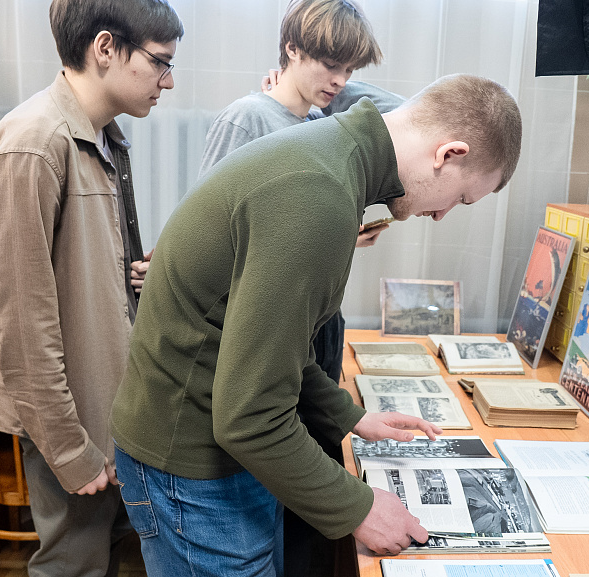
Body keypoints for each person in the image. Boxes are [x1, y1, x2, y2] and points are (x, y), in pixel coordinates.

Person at [110, 72, 523, 576]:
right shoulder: (318, 193)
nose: (442, 216)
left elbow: (277, 346)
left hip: (206, 443)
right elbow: (249, 414)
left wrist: (349, 416)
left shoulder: (333, 158)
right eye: (460, 199)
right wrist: (358, 507)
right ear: (448, 154)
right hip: (192, 466)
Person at [0, 1, 183, 575]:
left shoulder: (103, 138)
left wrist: (135, 274)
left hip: (108, 405)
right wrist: (68, 448)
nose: (167, 81)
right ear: (106, 48)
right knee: (74, 565)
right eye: (159, 63)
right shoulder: (33, 142)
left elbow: (79, 276)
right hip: (68, 418)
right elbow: (17, 320)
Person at [197, 1, 403, 574]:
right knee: (278, 452)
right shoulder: (248, 118)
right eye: (328, 65)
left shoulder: (321, 119)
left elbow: (409, 112)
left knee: (316, 448)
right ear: (290, 49)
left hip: (314, 318)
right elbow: (213, 229)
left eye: (349, 70)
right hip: (260, 317)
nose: (339, 81)